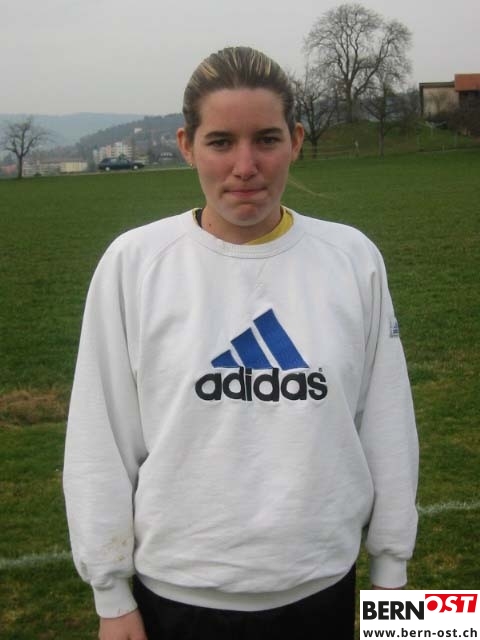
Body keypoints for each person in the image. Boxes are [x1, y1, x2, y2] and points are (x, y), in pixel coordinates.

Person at [63, 46, 418, 640]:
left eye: (267, 140)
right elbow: (100, 441)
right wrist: (111, 598)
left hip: (324, 589)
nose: (245, 165)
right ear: (187, 145)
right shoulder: (134, 262)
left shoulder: (353, 258)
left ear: (296, 141)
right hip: (176, 600)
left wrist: (391, 578)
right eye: (222, 141)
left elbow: (387, 424)